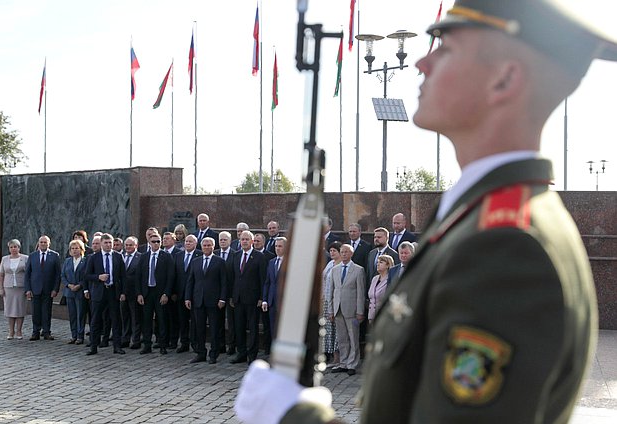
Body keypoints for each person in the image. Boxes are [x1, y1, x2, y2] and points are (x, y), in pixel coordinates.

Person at [236, 1, 610, 422]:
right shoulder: (474, 220)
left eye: (446, 49)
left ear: (504, 78)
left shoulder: (505, 249)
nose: (421, 61)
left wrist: (294, 416)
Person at [185, 237, 227, 364]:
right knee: (199, 328)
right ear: (201, 247)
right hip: (198, 300)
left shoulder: (219, 261)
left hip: (214, 301)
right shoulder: (195, 261)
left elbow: (224, 282)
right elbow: (190, 281)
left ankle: (213, 354)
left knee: (214, 329)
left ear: (213, 247)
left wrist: (222, 298)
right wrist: (187, 297)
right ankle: (201, 353)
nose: (207, 247)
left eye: (209, 245)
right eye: (204, 245)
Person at [326, 244, 365, 376]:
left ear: (351, 254)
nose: (343, 254)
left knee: (353, 337)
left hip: (352, 310)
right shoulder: (335, 269)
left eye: (346, 252)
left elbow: (361, 292)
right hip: (338, 309)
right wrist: (330, 310)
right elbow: (331, 291)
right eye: (341, 252)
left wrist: (360, 311)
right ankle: (343, 362)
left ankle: (352, 363)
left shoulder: (358, 270)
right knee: (342, 337)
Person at [84, 233, 125, 355]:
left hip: (113, 291)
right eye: (106, 243)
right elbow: (86, 275)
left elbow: (123, 276)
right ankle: (93, 346)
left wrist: (123, 292)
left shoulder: (118, 257)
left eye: (110, 243)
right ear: (101, 244)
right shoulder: (93, 257)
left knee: (116, 319)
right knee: (96, 320)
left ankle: (117, 346)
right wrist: (98, 277)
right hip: (99, 292)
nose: (108, 245)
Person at [229, 230, 267, 364]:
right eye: (242, 239)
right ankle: (241, 353)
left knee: (253, 328)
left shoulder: (259, 257)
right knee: (239, 327)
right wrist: (231, 296)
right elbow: (232, 277)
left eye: (246, 239)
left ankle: (252, 355)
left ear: (252, 241)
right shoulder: (235, 255)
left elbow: (263, 279)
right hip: (238, 298)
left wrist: (262, 297)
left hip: (253, 299)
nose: (244, 241)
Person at [136, 231, 174, 355]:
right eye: (154, 241)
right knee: (147, 320)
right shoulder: (144, 256)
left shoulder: (166, 256)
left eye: (158, 241)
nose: (156, 243)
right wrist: (139, 294)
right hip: (147, 292)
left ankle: (163, 345)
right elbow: (139, 276)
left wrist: (166, 294)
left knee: (161, 319)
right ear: (149, 243)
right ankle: (147, 345)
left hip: (160, 293)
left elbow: (170, 277)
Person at [24, 235, 61, 341]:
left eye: (45, 242)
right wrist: (28, 289)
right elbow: (27, 274)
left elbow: (58, 274)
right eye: (41, 242)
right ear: (38, 243)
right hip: (35, 288)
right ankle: (35, 332)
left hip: (48, 289)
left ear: (49, 243)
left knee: (47, 311)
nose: (43, 244)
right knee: (36, 312)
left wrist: (55, 289)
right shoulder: (32, 256)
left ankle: (46, 332)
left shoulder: (54, 255)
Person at [173, 234, 201, 353]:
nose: (188, 243)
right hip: (180, 293)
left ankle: (195, 343)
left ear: (195, 243)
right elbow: (174, 275)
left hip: (195, 294)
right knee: (182, 319)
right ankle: (184, 343)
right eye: (186, 242)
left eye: (190, 242)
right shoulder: (178, 255)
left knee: (194, 321)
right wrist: (173, 291)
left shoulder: (199, 255)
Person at [0, 239, 28, 340]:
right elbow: (1, 275)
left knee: (20, 309)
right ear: (9, 248)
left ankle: (19, 331)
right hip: (8, 288)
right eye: (11, 247)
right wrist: (1, 288)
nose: (13, 249)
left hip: (21, 288)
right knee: (10, 310)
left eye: (15, 247)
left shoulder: (25, 258)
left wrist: (28, 289)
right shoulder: (4, 259)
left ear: (19, 248)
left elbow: (29, 274)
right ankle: (11, 331)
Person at [61, 239, 87, 344]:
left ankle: (80, 336)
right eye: (73, 248)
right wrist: (68, 285)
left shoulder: (85, 261)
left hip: (80, 291)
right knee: (72, 314)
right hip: (69, 291)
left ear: (81, 249)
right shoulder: (67, 261)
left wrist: (79, 285)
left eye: (77, 248)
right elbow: (63, 275)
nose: (75, 250)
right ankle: (74, 335)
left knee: (80, 314)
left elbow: (86, 276)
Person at [321, 241, 342, 364]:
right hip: (326, 300)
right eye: (331, 251)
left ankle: (337, 356)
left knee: (336, 328)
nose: (332, 253)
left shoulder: (341, 265)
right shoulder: (330, 263)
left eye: (335, 250)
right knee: (328, 329)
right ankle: (329, 354)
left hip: (336, 300)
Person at [120, 236, 143, 349]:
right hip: (123, 293)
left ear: (136, 246)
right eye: (127, 245)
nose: (128, 247)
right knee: (125, 317)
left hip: (135, 292)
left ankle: (136, 340)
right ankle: (125, 339)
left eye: (131, 245)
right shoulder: (121, 257)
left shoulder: (141, 257)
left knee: (135, 318)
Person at [262, 237, 287, 337]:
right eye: (276, 246)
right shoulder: (272, 262)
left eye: (280, 246)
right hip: (272, 301)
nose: (277, 248)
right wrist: (265, 299)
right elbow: (267, 282)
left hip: (284, 301)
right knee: (273, 329)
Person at [367, 254, 393, 324]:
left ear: (388, 265)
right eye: (377, 262)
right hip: (371, 316)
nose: (378, 264)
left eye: (381, 262)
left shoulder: (391, 279)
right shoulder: (374, 278)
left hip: (384, 316)